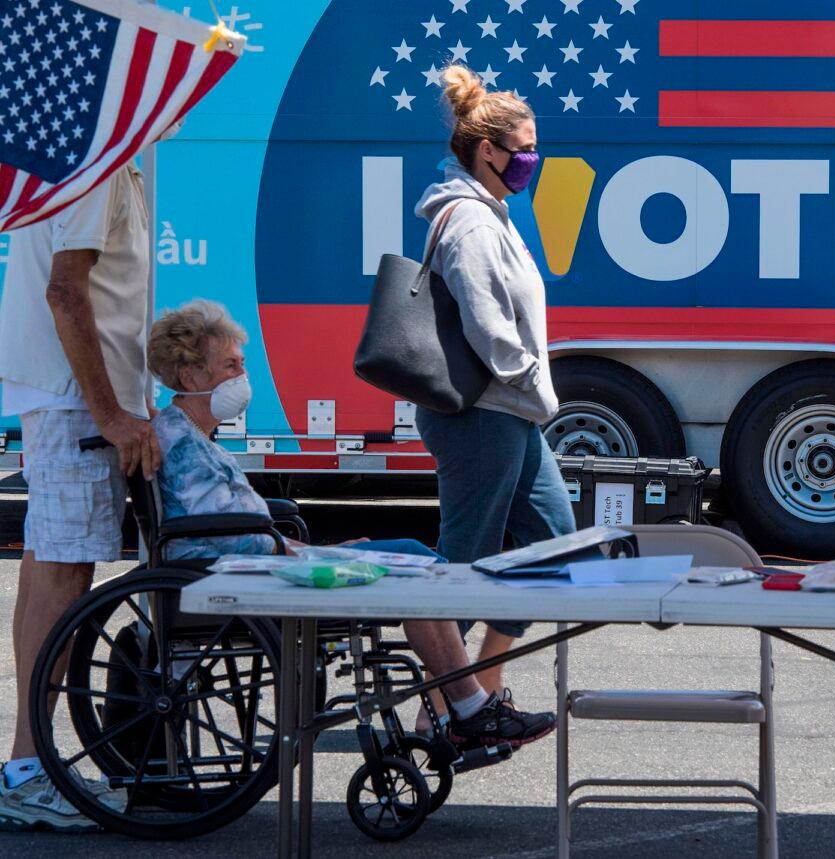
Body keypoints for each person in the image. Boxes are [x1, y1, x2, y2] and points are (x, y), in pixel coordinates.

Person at [145, 299, 556, 751]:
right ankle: (469, 706)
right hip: (237, 578)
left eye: (242, 364)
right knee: (415, 563)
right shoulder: (182, 443)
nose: (242, 377)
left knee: (415, 559)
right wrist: (315, 553)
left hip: (254, 562)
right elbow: (228, 536)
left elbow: (230, 528)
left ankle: (466, 705)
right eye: (230, 365)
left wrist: (319, 549)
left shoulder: (192, 436)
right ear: (190, 376)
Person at [411, 65, 576, 732]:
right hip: (482, 413)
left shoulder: (491, 215)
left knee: (554, 546)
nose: (534, 161)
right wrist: (535, 382)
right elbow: (487, 326)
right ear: (490, 150)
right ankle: (441, 707)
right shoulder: (471, 225)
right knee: (464, 566)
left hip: (511, 414)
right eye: (526, 148)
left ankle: (475, 689)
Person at [0, 163, 158, 832]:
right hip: (75, 405)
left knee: (52, 567)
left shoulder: (93, 157)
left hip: (65, 399)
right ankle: (29, 770)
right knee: (63, 571)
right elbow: (65, 292)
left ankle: (28, 766)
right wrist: (114, 415)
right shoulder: (102, 164)